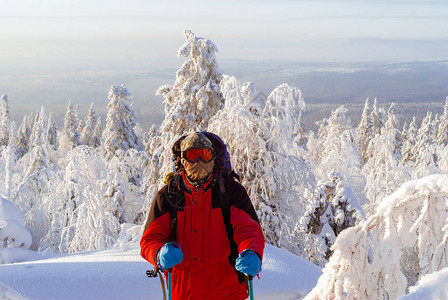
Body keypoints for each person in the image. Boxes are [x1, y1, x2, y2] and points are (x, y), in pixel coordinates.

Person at [140, 132, 265, 299]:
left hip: (227, 292)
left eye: (205, 155)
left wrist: (252, 251)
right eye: (192, 155)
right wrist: (158, 254)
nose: (199, 161)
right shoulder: (169, 195)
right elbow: (150, 239)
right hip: (184, 293)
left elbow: (248, 230)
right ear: (183, 160)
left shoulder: (230, 192)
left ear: (213, 158)